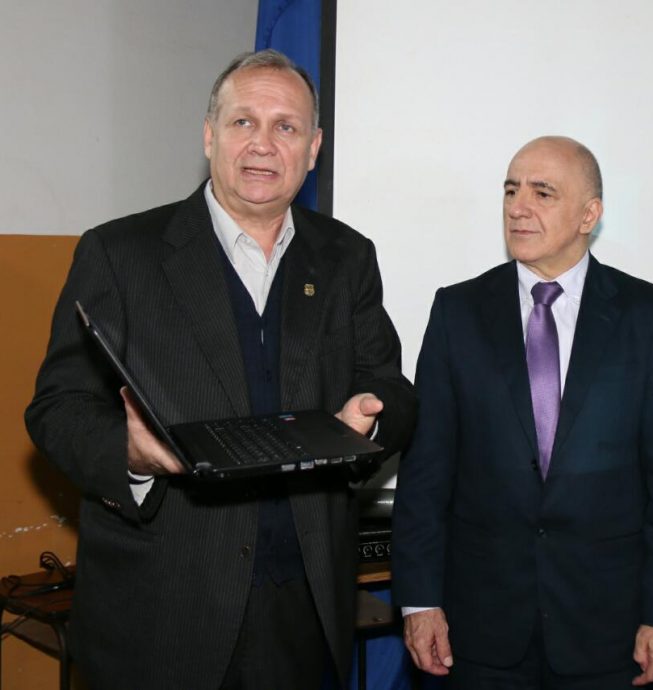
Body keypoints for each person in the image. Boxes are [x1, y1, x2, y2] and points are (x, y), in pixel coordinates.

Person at [24, 50, 416, 690]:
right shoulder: (119, 253)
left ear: (313, 149)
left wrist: (367, 422)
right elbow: (58, 407)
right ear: (209, 136)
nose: (263, 143)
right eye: (243, 122)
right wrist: (129, 452)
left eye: (286, 126)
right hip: (160, 616)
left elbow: (390, 385)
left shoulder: (347, 256)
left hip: (305, 612)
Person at [391, 135, 653, 689]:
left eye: (542, 192)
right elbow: (426, 471)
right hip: (479, 626)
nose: (518, 207)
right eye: (511, 190)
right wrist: (419, 601)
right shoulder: (458, 311)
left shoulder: (649, 315)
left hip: (609, 626)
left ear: (589, 215)